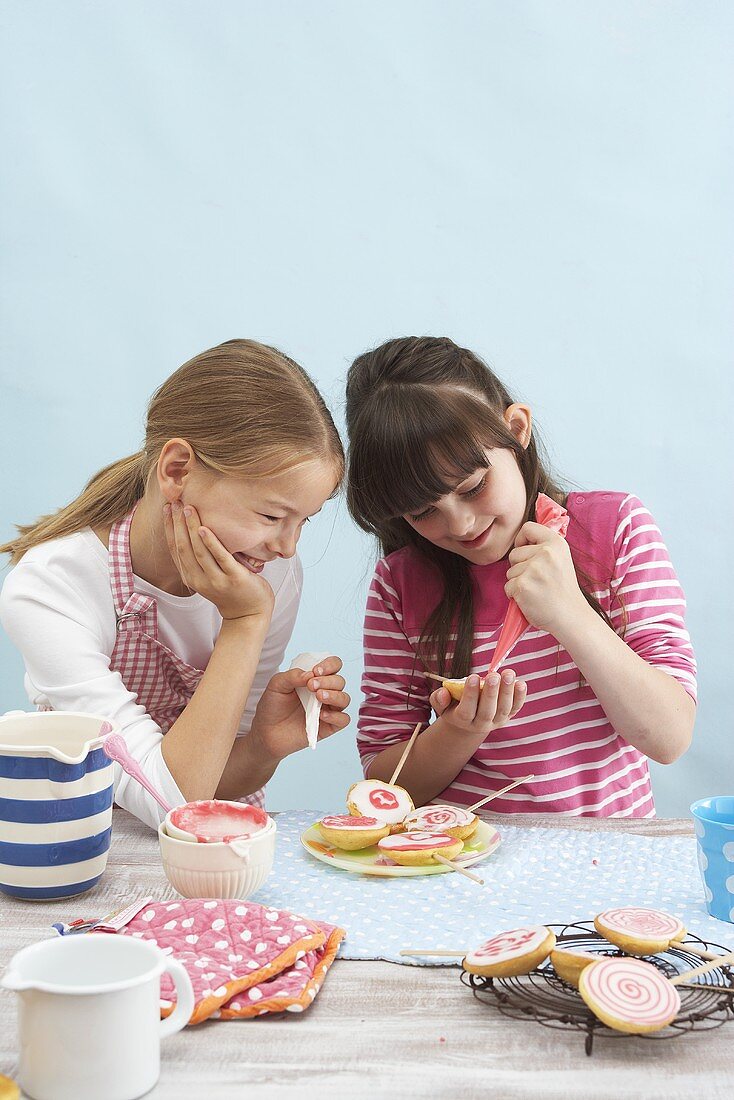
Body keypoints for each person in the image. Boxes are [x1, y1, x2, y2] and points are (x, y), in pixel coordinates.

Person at [0, 339, 350, 829]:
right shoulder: (52, 587)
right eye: (271, 515)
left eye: (304, 521)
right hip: (83, 848)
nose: (287, 547)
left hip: (204, 857)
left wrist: (262, 746)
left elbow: (209, 785)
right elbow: (169, 798)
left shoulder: (271, 570)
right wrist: (245, 622)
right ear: (177, 470)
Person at [345, 336, 696, 817]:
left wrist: (570, 613)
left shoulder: (617, 531)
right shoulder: (399, 585)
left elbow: (669, 737)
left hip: (608, 859)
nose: (460, 525)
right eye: (423, 512)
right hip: (462, 855)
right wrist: (461, 730)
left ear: (516, 428)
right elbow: (387, 784)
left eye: (473, 487)